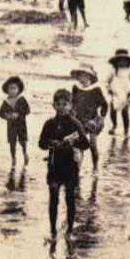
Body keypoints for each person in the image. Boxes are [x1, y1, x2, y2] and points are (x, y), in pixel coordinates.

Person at [38, 89, 90, 245]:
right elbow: (41, 143)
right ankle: (53, 230)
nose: (61, 107)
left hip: (70, 166)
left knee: (70, 199)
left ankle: (69, 232)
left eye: (65, 104)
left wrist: (72, 142)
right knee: (53, 197)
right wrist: (51, 143)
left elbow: (85, 144)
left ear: (70, 105)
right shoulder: (49, 124)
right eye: (58, 104)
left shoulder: (75, 124)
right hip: (54, 165)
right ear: (53, 105)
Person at [69, 64, 108, 173]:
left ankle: (95, 166)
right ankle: (78, 169)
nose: (81, 77)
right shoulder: (76, 88)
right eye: (80, 74)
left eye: (83, 75)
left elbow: (104, 105)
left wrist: (102, 118)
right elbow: (73, 103)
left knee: (92, 144)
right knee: (79, 145)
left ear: (89, 77)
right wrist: (71, 113)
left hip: (92, 121)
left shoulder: (96, 90)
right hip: (79, 120)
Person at [0, 76, 31, 166]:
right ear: (7, 90)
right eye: (10, 88)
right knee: (12, 142)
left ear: (18, 89)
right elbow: (1, 113)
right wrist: (7, 115)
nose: (12, 91)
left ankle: (25, 154)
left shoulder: (21, 100)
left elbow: (27, 110)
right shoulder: (6, 101)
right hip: (11, 125)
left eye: (14, 88)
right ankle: (13, 158)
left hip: (21, 124)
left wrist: (19, 114)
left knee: (23, 141)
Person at [106, 48, 130, 137]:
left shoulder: (129, 72)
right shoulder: (113, 71)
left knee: (125, 113)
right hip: (115, 93)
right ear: (116, 62)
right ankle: (114, 125)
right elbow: (107, 81)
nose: (122, 62)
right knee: (112, 111)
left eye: (124, 61)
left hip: (125, 94)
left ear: (128, 62)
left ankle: (126, 129)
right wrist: (109, 89)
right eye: (120, 60)